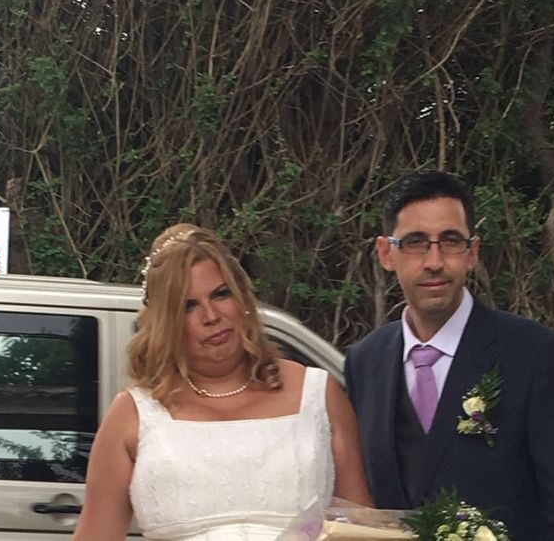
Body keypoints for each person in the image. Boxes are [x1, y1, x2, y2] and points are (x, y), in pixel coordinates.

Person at [344, 172, 554, 541]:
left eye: (450, 241)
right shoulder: (364, 362)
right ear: (387, 254)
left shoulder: (535, 355)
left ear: (472, 252)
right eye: (416, 242)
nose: (434, 261)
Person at [73, 223, 372, 540]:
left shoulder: (318, 394)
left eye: (220, 294)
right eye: (188, 306)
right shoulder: (132, 415)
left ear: (241, 297)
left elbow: (361, 527)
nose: (211, 315)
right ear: (165, 322)